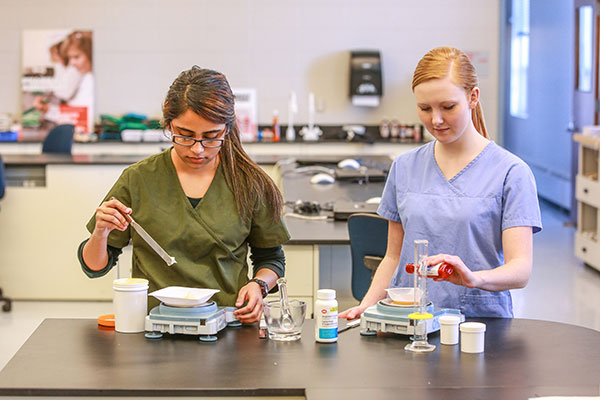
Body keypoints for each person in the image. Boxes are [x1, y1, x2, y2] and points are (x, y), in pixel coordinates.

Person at [340, 47, 542, 319]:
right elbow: (392, 257)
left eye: (448, 107)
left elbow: (520, 269)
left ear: (473, 98)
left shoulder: (511, 172)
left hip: (479, 325)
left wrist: (474, 278)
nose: (435, 120)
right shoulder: (405, 166)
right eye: (425, 108)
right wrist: (367, 307)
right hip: (409, 320)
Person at [78, 66, 290, 324]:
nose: (198, 149)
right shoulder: (139, 179)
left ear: (227, 128)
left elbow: (271, 258)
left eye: (211, 137)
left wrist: (259, 285)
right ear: (168, 124)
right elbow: (94, 267)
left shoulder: (251, 183)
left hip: (227, 324)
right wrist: (101, 233)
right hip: (154, 325)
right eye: (185, 136)